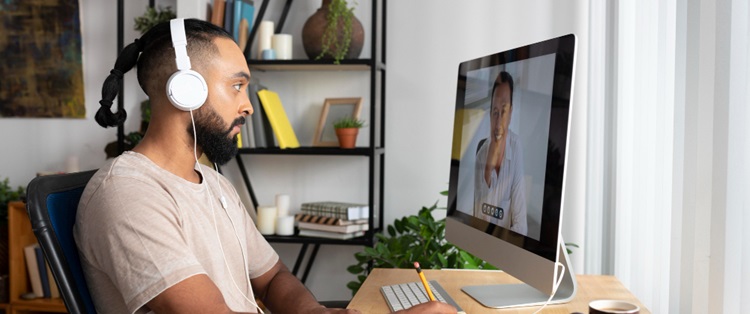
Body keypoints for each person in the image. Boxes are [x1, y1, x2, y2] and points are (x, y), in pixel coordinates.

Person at [74, 18, 456, 314]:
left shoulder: (213, 183)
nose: (248, 105)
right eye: (237, 86)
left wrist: (313, 312)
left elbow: (273, 279)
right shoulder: (128, 195)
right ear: (185, 89)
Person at [473, 71, 528, 235]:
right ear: (490, 115)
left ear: (511, 113)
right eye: (495, 112)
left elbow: (521, 226)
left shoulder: (516, 146)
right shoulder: (481, 155)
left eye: (503, 111)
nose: (498, 123)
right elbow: (476, 219)